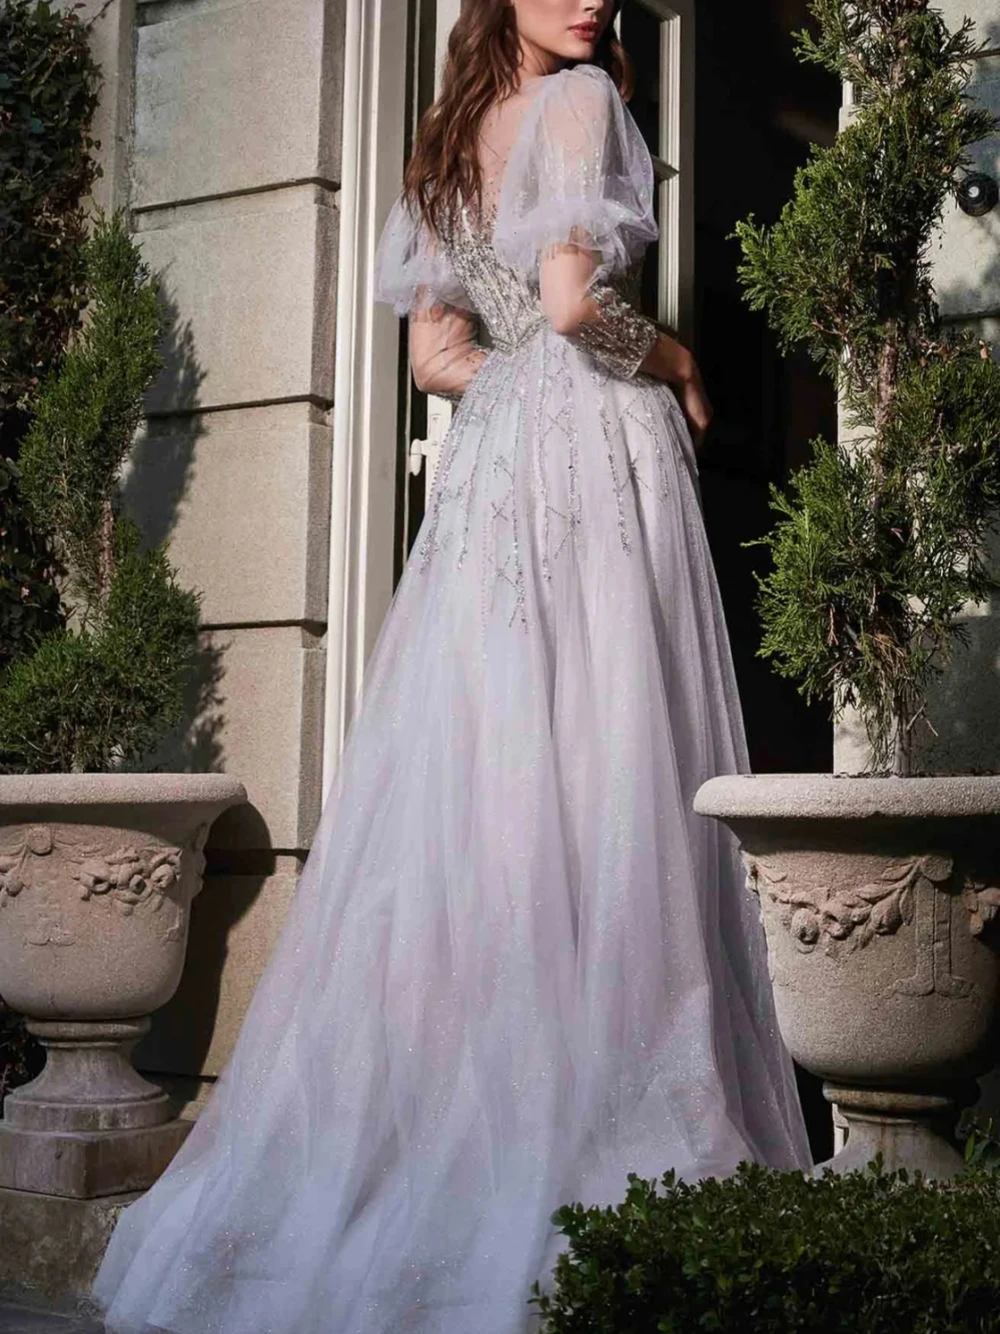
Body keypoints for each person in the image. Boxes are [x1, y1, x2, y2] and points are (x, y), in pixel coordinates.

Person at [91, 0, 812, 1330]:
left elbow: (435, 360)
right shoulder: (581, 104)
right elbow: (578, 309)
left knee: (496, 787)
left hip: (492, 478)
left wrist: (520, 400)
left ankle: (470, 1123)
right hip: (592, 461)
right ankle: (595, 1127)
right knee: (610, 771)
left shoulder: (442, 140)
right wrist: (681, 361)